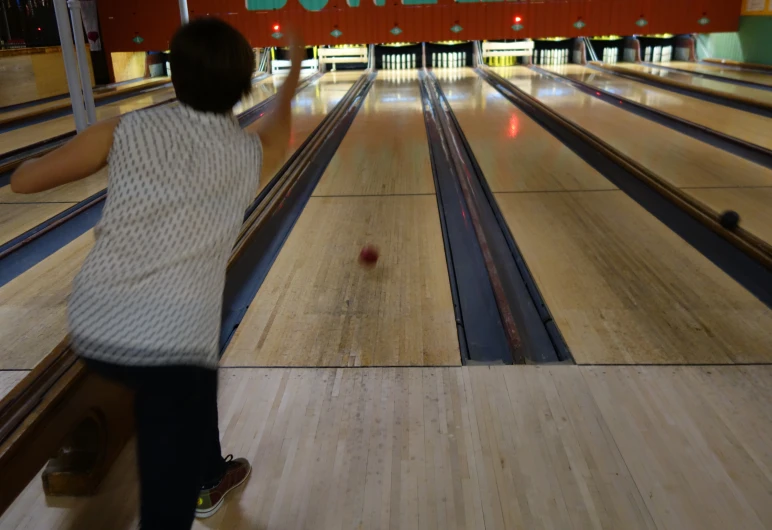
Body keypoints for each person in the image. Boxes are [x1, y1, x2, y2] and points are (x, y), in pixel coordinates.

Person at [11, 18, 305, 529]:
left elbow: (23, 182)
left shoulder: (122, 129)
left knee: (181, 376)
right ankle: (202, 483)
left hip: (94, 323)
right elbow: (281, 120)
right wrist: (296, 64)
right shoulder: (250, 153)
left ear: (174, 76)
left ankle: (202, 464)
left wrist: (31, 156)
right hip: (173, 347)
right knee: (184, 384)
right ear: (243, 86)